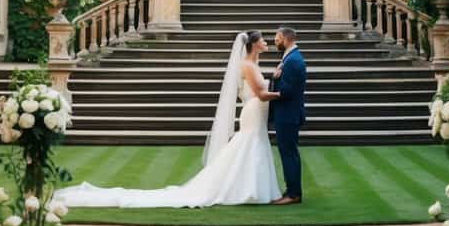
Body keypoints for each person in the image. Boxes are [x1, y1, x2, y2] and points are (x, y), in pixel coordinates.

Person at [53, 30, 282, 208]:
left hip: (255, 110)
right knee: (248, 146)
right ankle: (246, 189)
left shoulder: (253, 64)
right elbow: (260, 93)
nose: (266, 42)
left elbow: (260, 89)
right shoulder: (249, 66)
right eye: (262, 40)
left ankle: (250, 188)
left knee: (250, 147)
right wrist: (283, 93)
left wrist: (274, 78)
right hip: (253, 110)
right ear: (253, 44)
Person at [269, 25, 306, 205]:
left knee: (288, 153)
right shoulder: (290, 57)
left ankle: (293, 194)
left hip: (287, 115)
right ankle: (291, 190)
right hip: (288, 114)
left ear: (285, 38)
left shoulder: (292, 60)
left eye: (277, 38)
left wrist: (273, 84)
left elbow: (286, 92)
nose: (275, 41)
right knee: (288, 153)